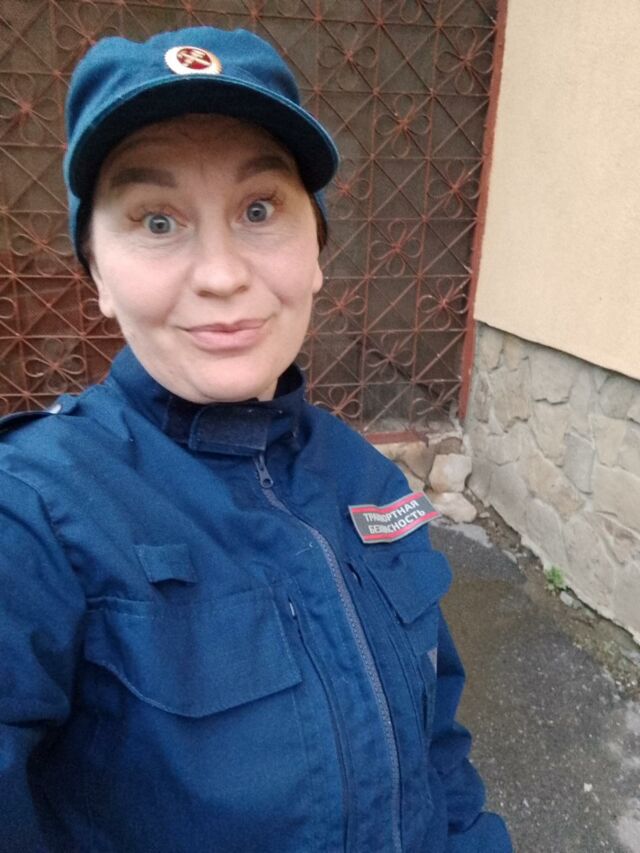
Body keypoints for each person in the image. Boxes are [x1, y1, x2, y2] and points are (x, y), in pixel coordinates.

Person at [0, 26, 512, 853]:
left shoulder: (368, 479)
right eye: (156, 220)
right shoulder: (31, 512)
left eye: (260, 210)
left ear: (317, 252)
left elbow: (436, 753)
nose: (222, 274)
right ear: (97, 276)